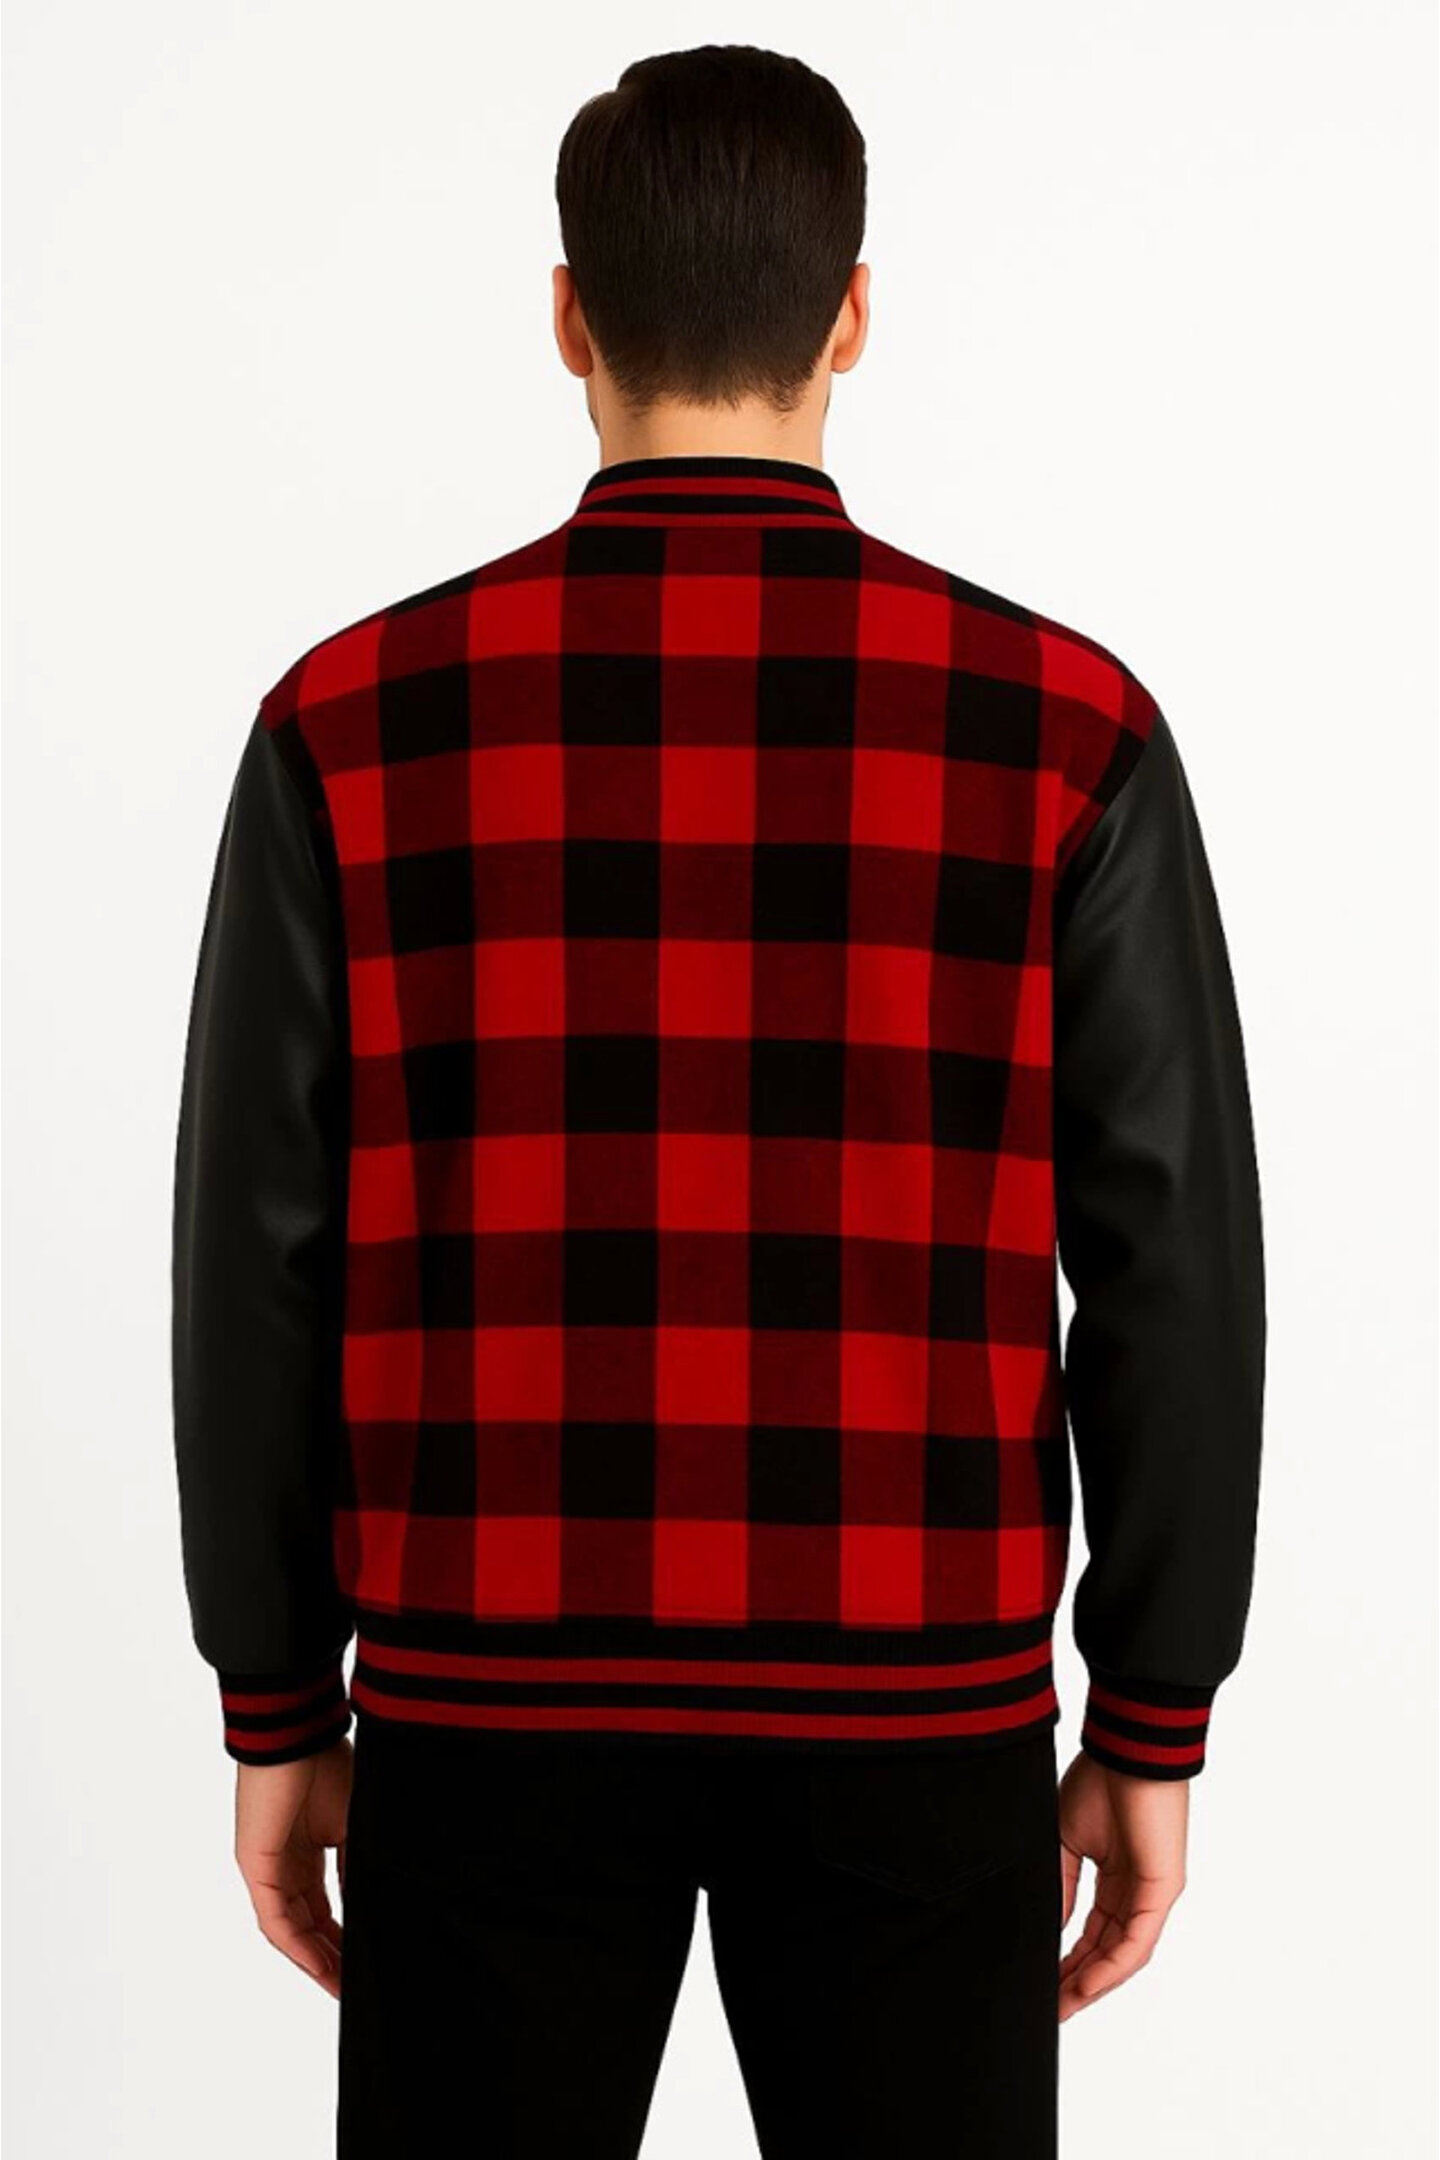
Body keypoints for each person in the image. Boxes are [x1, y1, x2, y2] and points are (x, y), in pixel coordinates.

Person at [170, 42, 1265, 2160]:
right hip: (915, 1698)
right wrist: (1153, 1709)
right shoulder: (1069, 731)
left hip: (487, 1696)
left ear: (566, 316)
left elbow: (252, 1262)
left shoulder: (348, 722)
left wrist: (274, 1696)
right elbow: (1172, 1268)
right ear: (851, 316)